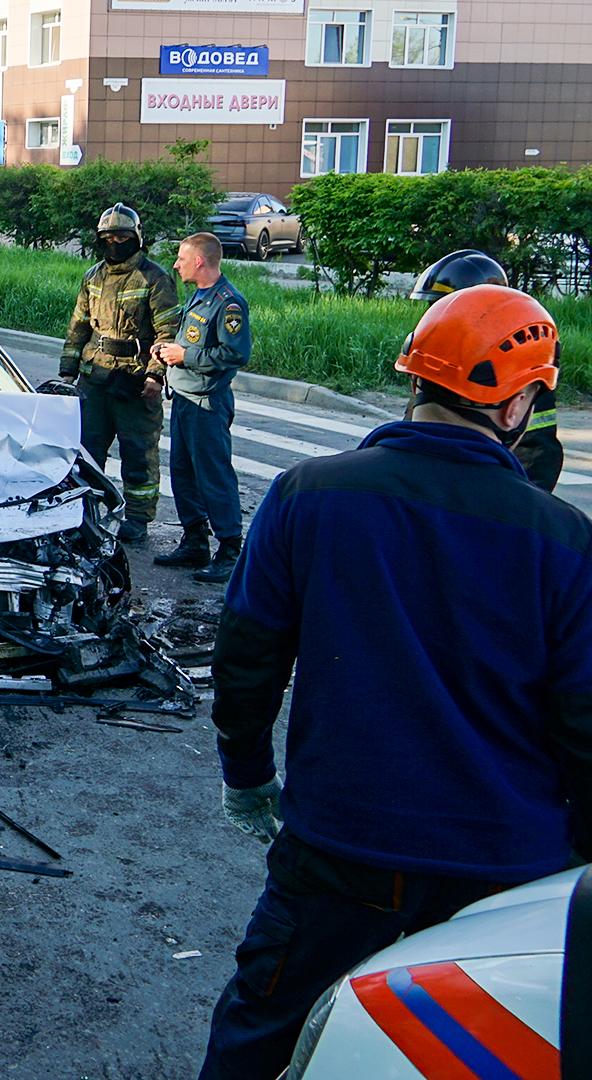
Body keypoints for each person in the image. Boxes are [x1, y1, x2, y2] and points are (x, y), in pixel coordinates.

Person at [197, 284, 592, 1078]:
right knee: (468, 1052)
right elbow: (583, 720)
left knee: (264, 1021)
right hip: (505, 861)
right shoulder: (563, 537)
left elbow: (247, 661)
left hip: (343, 841)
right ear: (516, 408)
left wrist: (249, 776)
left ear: (414, 379)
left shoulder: (309, 494)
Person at [59, 203, 180, 543]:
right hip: (94, 380)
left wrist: (156, 375)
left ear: (137, 237)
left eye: (122, 236)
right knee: (87, 452)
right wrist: (67, 372)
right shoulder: (92, 277)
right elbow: (77, 328)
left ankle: (138, 519)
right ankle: (85, 512)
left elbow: (168, 332)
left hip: (135, 382)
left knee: (138, 453)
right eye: (108, 237)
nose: (115, 242)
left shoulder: (155, 279)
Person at [410, 249, 563, 492]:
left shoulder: (520, 364)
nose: (440, 316)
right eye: (434, 306)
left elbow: (537, 456)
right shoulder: (434, 358)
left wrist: (521, 506)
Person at [154, 233, 251, 584]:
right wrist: (169, 350)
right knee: (182, 473)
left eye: (182, 258)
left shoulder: (229, 303)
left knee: (213, 475)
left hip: (207, 403)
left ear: (199, 261)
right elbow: (192, 339)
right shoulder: (199, 295)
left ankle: (229, 549)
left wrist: (186, 356)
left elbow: (234, 354)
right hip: (184, 398)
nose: (176, 264)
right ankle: (195, 540)